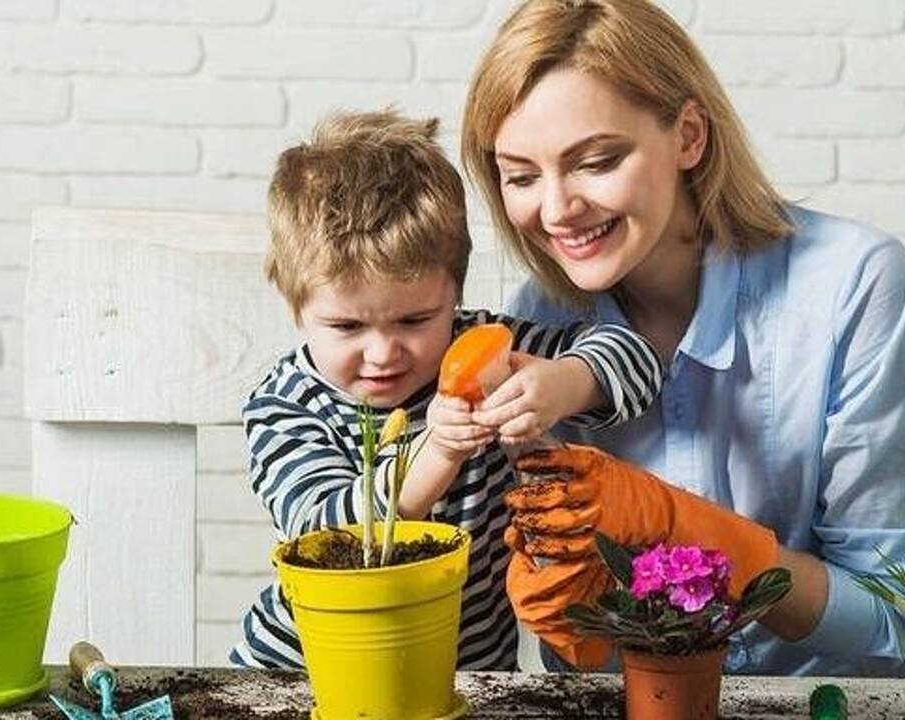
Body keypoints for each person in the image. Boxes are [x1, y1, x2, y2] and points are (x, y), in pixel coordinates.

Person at [461, 0, 905, 677]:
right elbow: (588, 651)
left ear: (688, 136)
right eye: (520, 176)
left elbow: (895, 613)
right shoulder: (539, 326)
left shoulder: (857, 288)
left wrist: (677, 527)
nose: (558, 208)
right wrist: (569, 621)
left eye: (596, 160)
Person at [229, 108, 663, 671]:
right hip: (307, 671)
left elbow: (639, 359)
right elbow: (329, 535)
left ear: (455, 293)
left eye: (415, 320)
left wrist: (565, 382)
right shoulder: (285, 406)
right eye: (347, 327)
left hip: (468, 675)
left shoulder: (485, 349)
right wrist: (435, 453)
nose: (383, 352)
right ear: (296, 307)